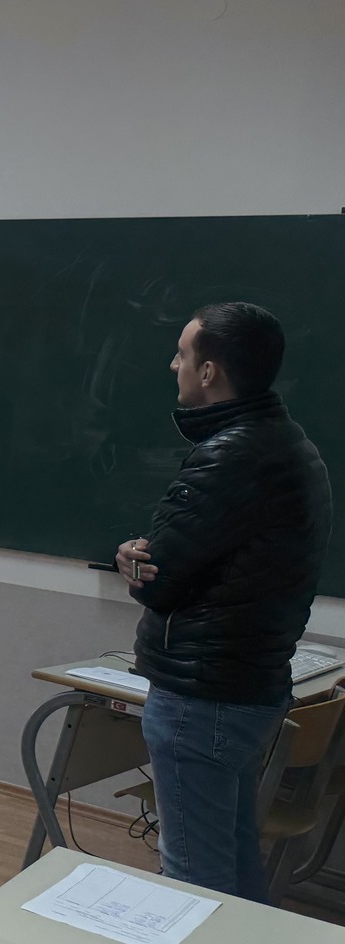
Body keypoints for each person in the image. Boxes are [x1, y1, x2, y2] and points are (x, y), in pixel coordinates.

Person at [116, 303, 332, 901]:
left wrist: (135, 564)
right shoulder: (290, 444)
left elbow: (160, 581)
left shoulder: (228, 457)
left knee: (194, 880)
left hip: (202, 696)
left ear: (209, 371)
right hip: (249, 685)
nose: (174, 365)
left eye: (182, 354)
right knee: (233, 860)